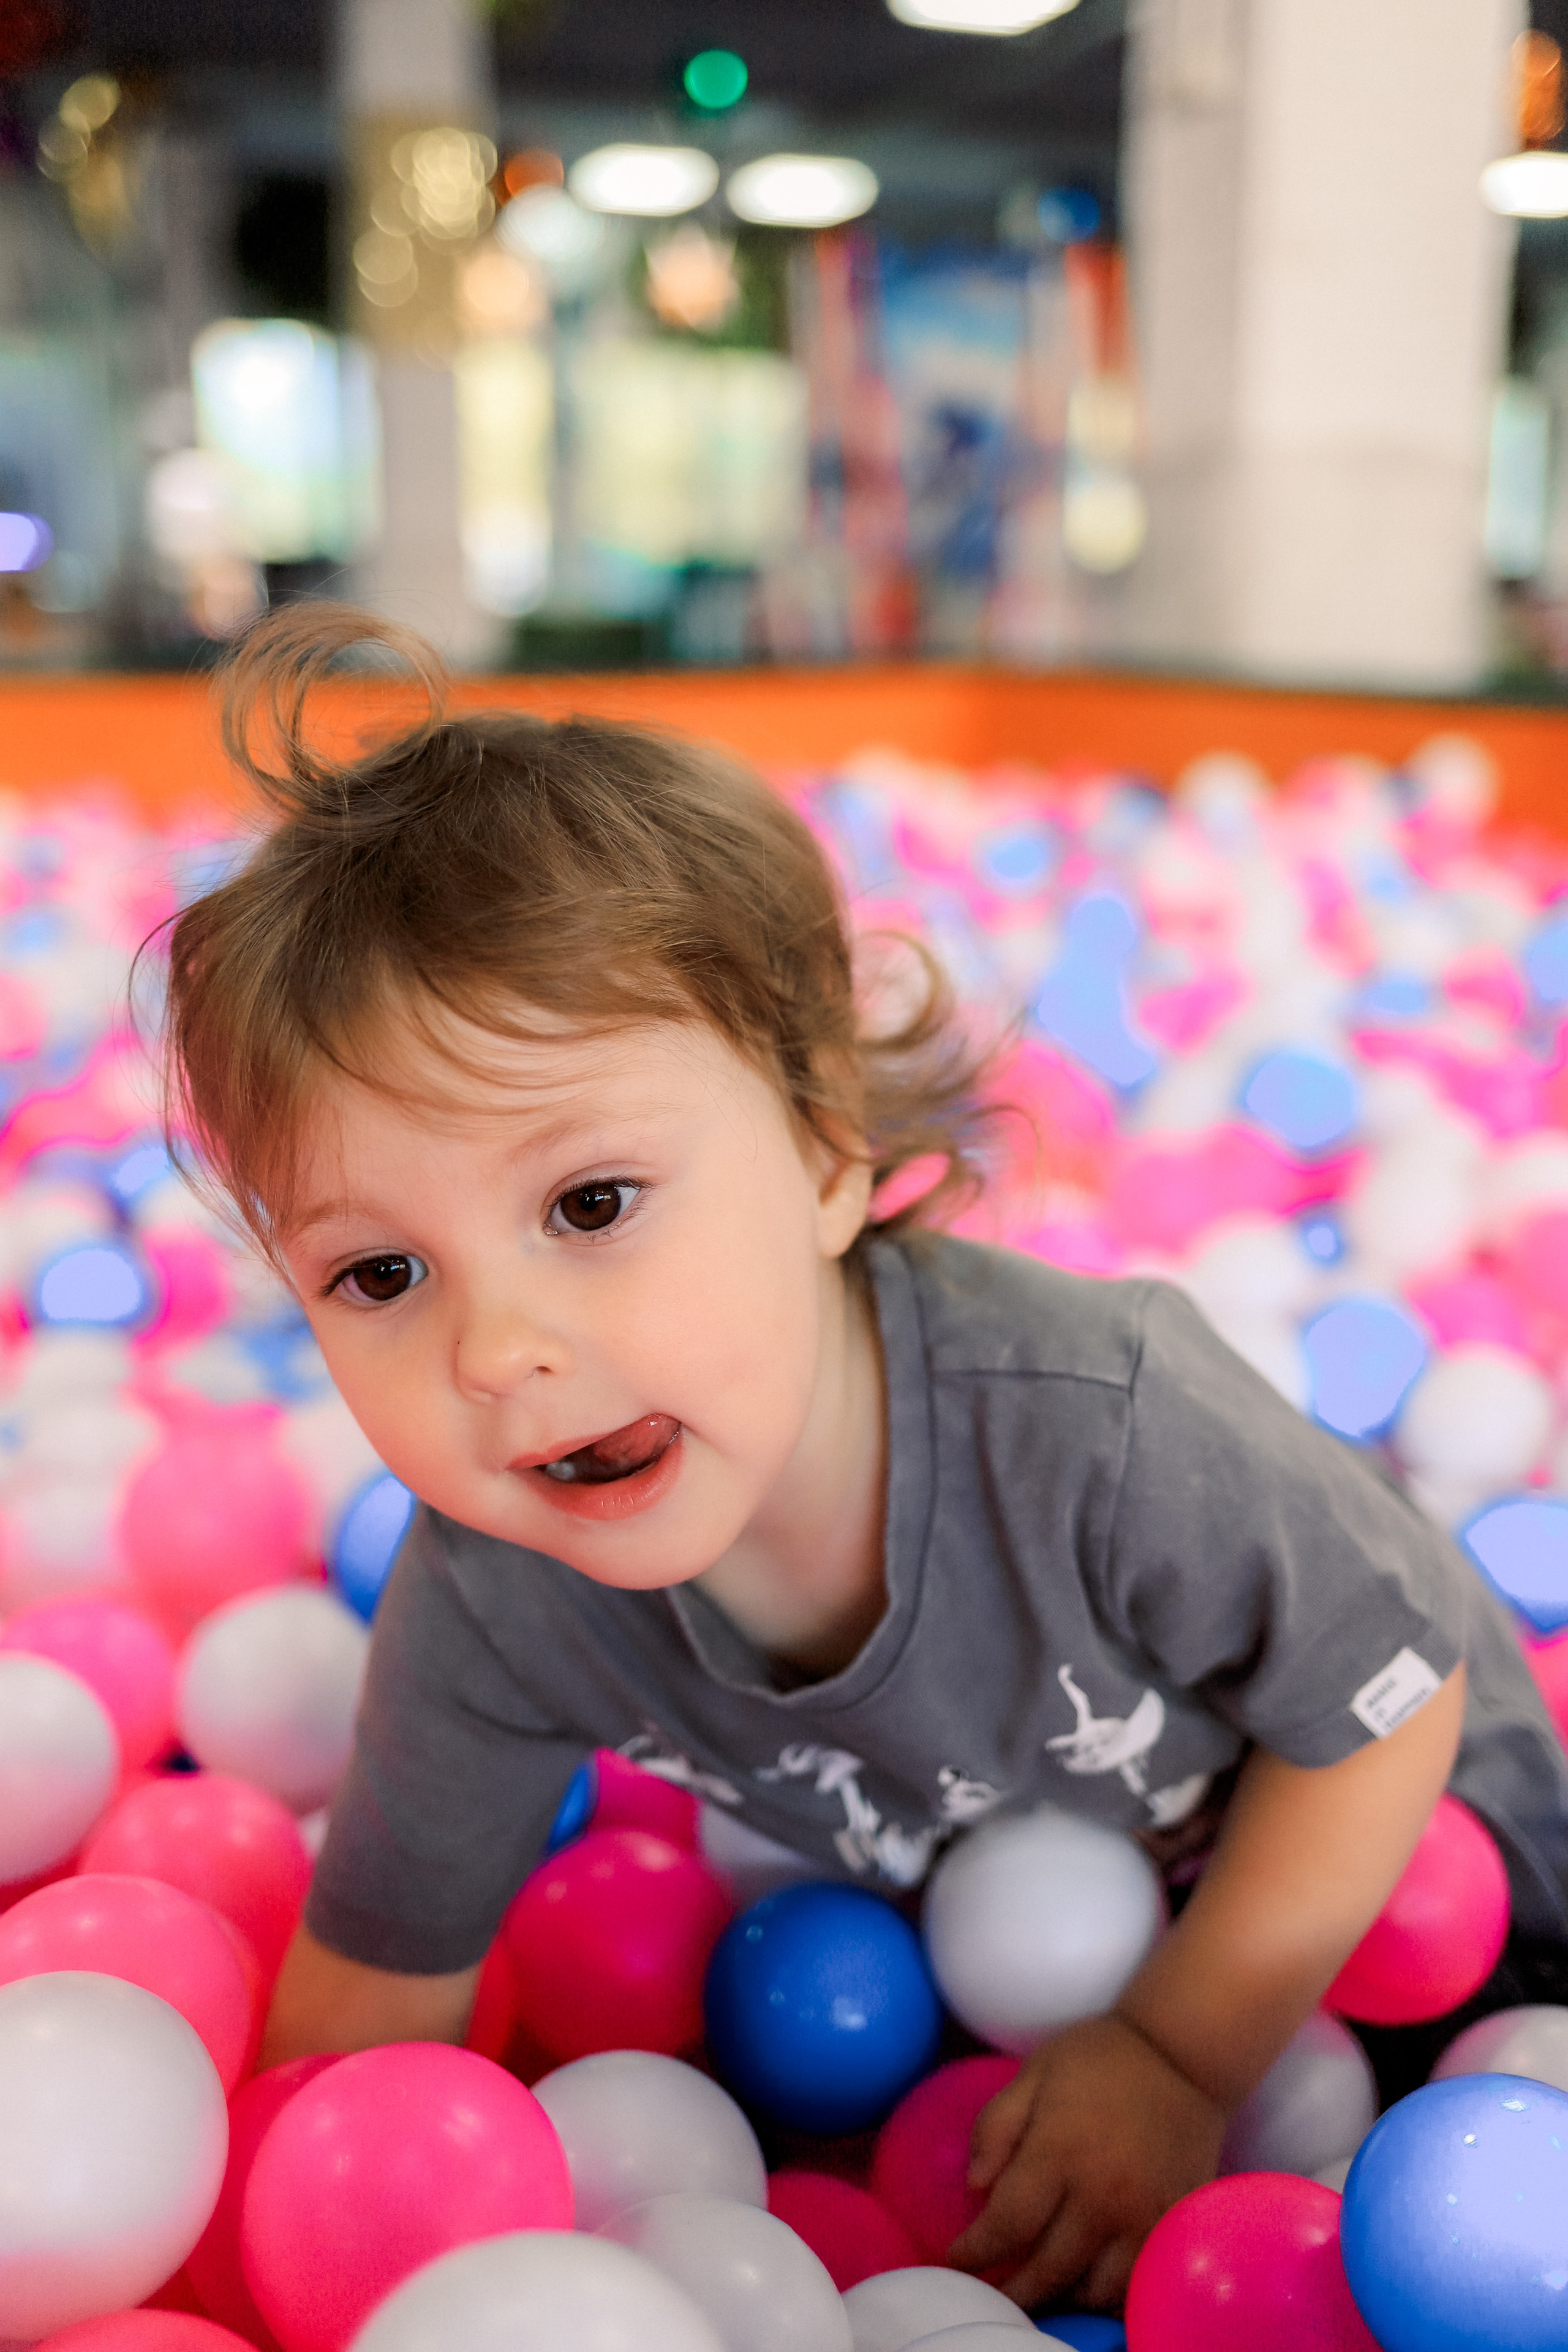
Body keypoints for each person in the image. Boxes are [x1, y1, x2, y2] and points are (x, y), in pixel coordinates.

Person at [161, 604, 1568, 2316]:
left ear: (830, 1149)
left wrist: (1176, 2057)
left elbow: (1393, 1706)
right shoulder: (494, 1592)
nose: (495, 1350)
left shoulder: (1097, 1422)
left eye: (591, 1204)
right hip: (1000, 1955)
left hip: (1435, 1910)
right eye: (381, 1275)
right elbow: (367, 2016)